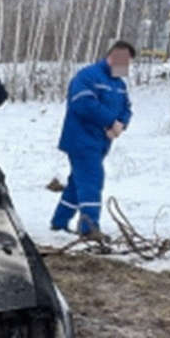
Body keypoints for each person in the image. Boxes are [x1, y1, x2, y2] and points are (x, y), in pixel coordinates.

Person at [50, 40, 135, 238]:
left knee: (77, 182)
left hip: (101, 142)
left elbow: (127, 108)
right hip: (81, 139)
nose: (127, 67)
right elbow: (83, 104)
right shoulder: (87, 76)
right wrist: (109, 122)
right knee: (92, 180)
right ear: (113, 56)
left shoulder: (119, 84)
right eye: (125, 62)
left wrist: (121, 124)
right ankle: (89, 227)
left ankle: (59, 222)